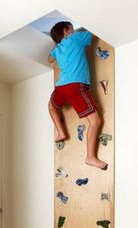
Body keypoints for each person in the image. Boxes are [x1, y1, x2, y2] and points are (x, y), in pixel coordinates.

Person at [48, 21, 108, 170]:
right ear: (66, 30)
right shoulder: (75, 38)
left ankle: (61, 132)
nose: (74, 30)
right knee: (95, 121)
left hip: (61, 88)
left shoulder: (57, 49)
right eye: (72, 29)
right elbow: (96, 27)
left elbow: (49, 59)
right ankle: (90, 157)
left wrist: (58, 46)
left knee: (51, 106)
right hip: (75, 86)